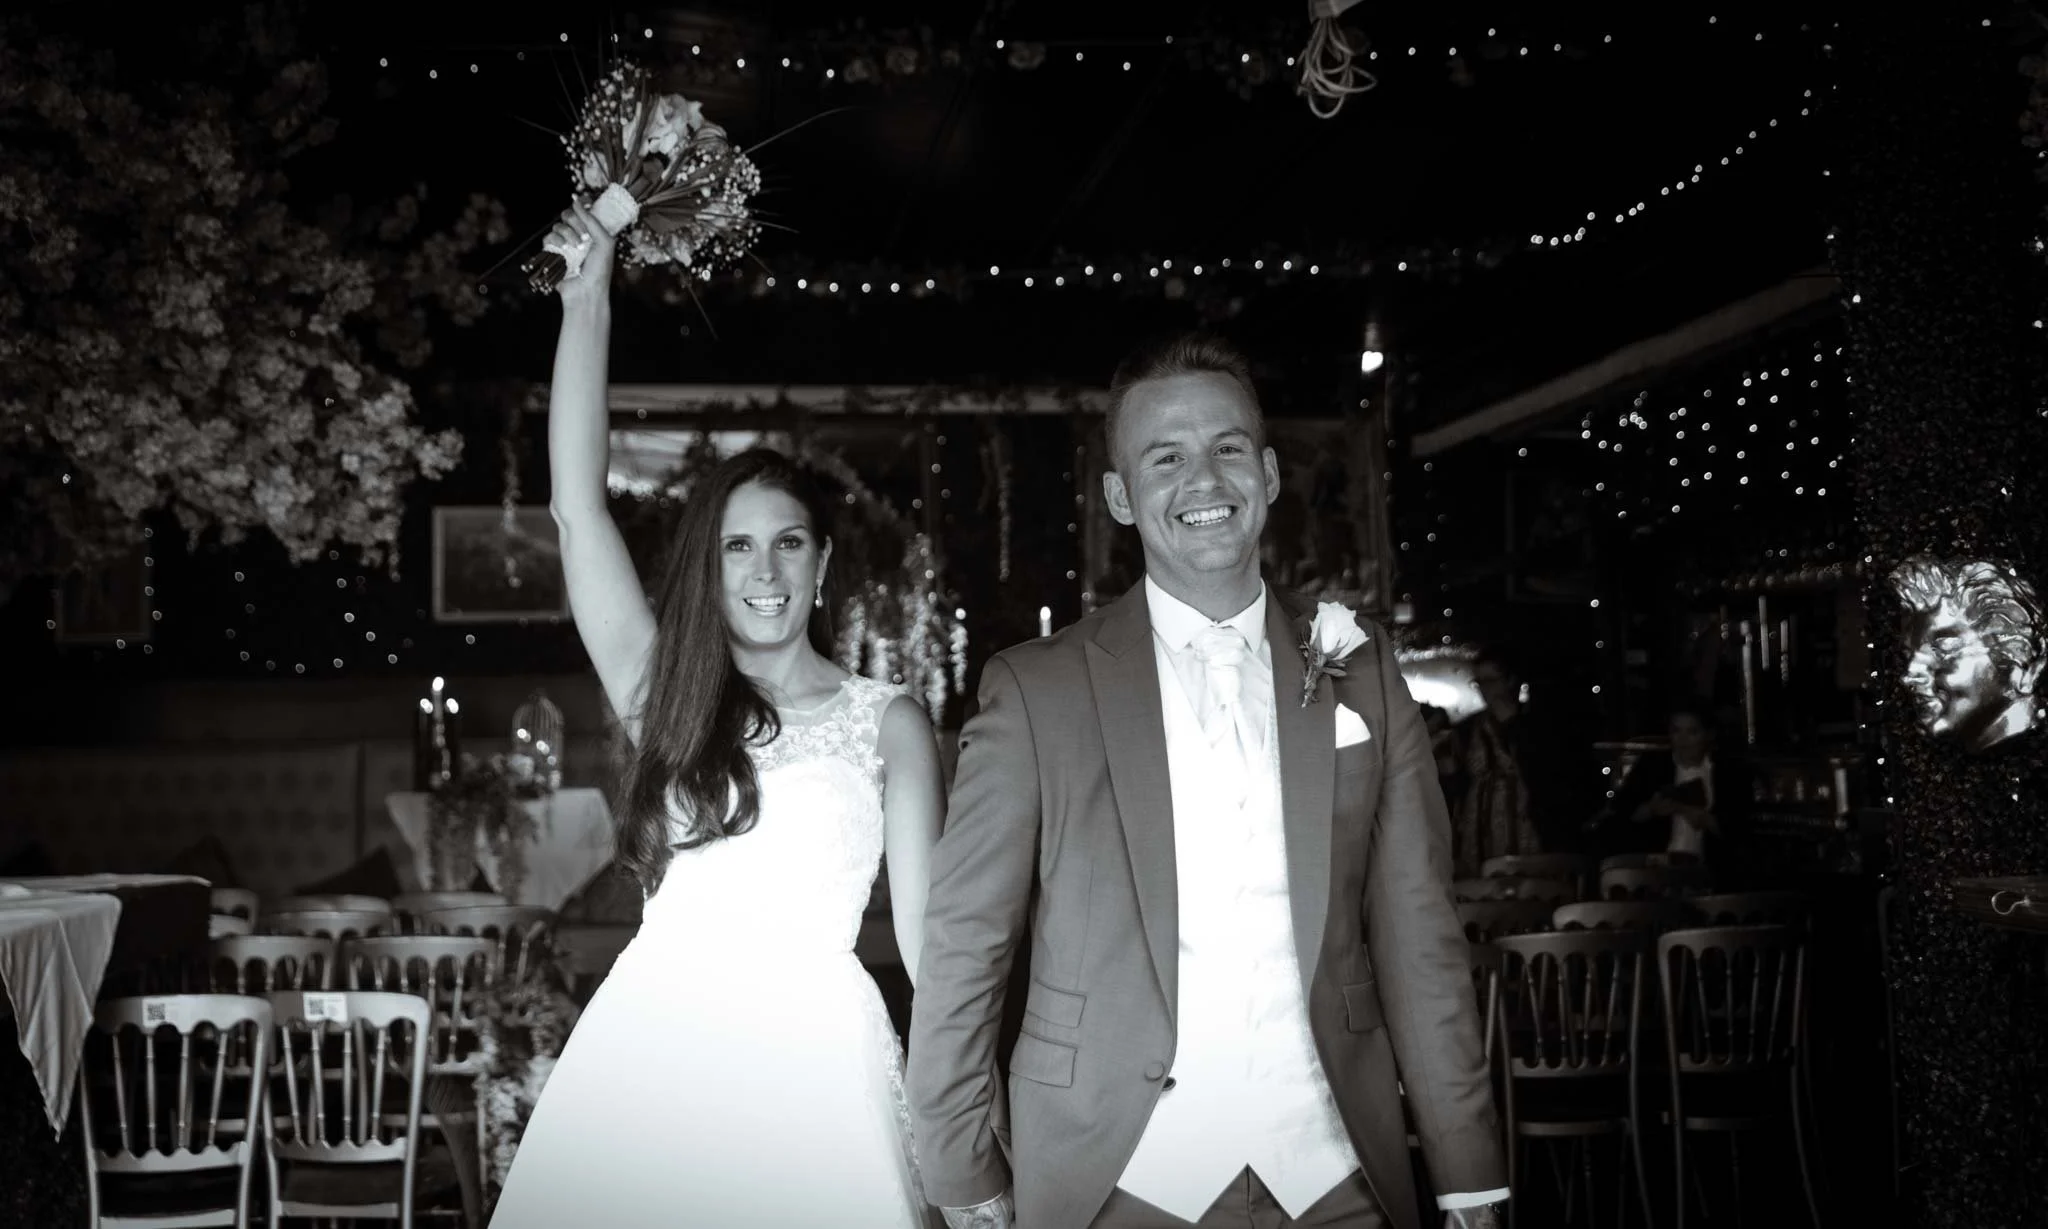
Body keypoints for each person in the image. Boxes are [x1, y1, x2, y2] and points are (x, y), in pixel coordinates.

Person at [906, 332, 1506, 1229]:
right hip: (1118, 1175)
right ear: (1119, 494)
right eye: (1167, 457)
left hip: (1335, 1173)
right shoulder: (1036, 688)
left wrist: (1467, 1169)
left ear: (1266, 474)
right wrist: (958, 1162)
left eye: (1228, 449)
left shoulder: (1362, 666)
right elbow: (966, 942)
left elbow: (1419, 930)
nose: (1204, 481)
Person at [487, 203, 945, 1229]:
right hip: (656, 1043)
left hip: (819, 1063)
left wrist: (967, 1114)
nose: (765, 570)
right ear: (710, 564)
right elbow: (575, 507)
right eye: (738, 546)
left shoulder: (891, 721)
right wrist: (588, 294)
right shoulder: (663, 689)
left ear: (822, 564)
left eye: (787, 543)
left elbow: (925, 941)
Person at [1595, 699, 1749, 883]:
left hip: (1711, 873)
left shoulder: (1728, 772)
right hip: (1654, 872)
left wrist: (1701, 817)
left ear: (1709, 735)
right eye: (1676, 731)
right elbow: (1621, 814)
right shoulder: (1652, 766)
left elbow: (1739, 830)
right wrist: (1651, 809)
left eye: (1692, 732)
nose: (1683, 740)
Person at [1451, 649, 1545, 876]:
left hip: (1529, 830)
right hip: (1480, 834)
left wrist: (1512, 726)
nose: (1485, 689)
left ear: (1511, 681)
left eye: (1491, 680)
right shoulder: (1467, 729)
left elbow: (1543, 774)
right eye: (1479, 682)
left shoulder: (1538, 725)